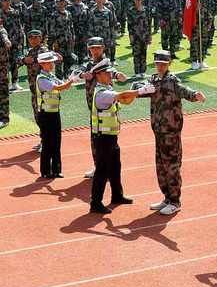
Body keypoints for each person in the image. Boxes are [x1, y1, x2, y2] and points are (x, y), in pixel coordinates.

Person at [133, 50, 206, 215]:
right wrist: (137, 89)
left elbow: (185, 91)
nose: (160, 66)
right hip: (158, 130)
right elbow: (139, 90)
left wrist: (196, 95)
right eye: (158, 63)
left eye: (163, 63)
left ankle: (175, 201)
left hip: (171, 132)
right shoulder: (153, 80)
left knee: (172, 166)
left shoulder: (172, 82)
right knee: (160, 166)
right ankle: (167, 197)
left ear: (169, 64)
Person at [89, 62, 141, 214]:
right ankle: (95, 202)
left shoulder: (108, 89)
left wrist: (135, 92)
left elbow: (125, 100)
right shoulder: (101, 93)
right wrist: (139, 90)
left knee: (115, 167)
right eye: (107, 73)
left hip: (111, 136)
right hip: (103, 137)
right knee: (102, 170)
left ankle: (117, 195)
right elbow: (121, 96)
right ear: (98, 75)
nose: (110, 75)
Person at [79, 37, 128, 179]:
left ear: (103, 48)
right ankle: (99, 167)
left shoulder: (106, 63)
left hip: (107, 109)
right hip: (94, 109)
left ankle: (109, 169)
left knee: (109, 141)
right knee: (95, 140)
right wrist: (82, 74)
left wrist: (118, 75)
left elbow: (113, 72)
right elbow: (75, 74)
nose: (95, 50)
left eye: (98, 48)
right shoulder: (87, 64)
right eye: (93, 48)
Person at [36, 51, 75, 178]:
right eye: (50, 62)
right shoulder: (41, 79)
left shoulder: (50, 76)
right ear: (43, 64)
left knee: (57, 141)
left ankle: (56, 170)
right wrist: (71, 81)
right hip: (45, 114)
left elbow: (62, 84)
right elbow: (59, 88)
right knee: (47, 143)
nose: (52, 64)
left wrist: (71, 79)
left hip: (54, 113)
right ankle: (45, 171)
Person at [18, 30, 48, 152]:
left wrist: (28, 60)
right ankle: (43, 140)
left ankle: (46, 142)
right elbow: (20, 60)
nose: (33, 40)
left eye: (36, 37)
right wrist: (24, 60)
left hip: (43, 90)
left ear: (40, 38)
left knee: (44, 117)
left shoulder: (43, 50)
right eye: (30, 38)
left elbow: (42, 60)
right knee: (38, 116)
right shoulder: (31, 50)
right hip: (34, 89)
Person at [127, 0, 151, 78]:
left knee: (144, 53)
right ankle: (137, 72)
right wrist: (131, 36)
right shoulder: (130, 11)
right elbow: (129, 25)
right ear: (134, 0)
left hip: (144, 35)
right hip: (135, 36)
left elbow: (148, 23)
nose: (138, 0)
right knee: (136, 54)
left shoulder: (145, 9)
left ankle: (143, 71)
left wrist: (149, 36)